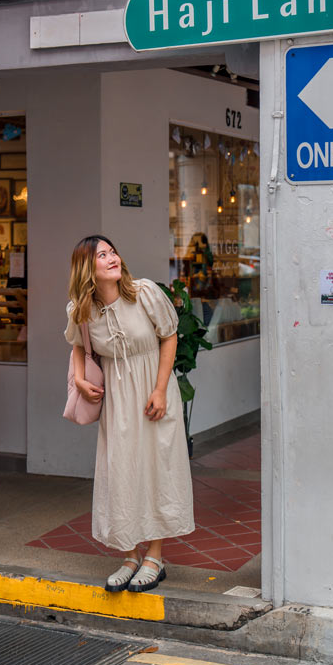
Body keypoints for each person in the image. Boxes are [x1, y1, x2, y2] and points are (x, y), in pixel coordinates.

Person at [65, 235, 194, 592]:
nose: (112, 258)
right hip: (119, 399)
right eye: (101, 255)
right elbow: (78, 345)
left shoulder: (145, 293)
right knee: (121, 471)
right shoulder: (81, 309)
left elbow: (169, 336)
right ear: (87, 269)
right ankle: (130, 555)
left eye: (113, 251)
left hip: (155, 390)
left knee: (157, 468)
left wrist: (160, 389)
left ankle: (155, 556)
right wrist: (78, 378)